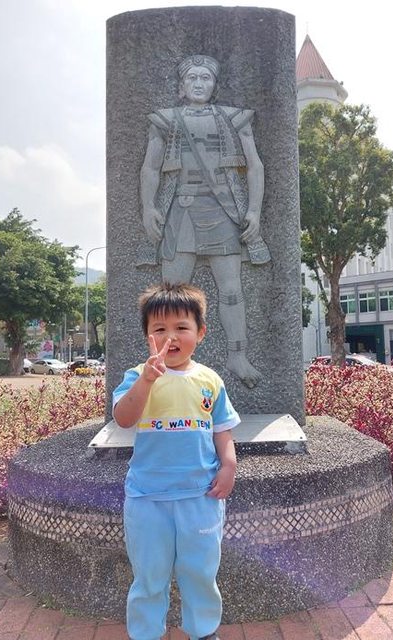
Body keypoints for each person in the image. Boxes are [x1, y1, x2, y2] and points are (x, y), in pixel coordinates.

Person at [113, 282, 240, 640]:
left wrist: (229, 465)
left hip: (200, 496)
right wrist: (147, 380)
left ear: (200, 333)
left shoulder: (210, 380)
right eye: (159, 329)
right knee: (149, 575)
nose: (170, 337)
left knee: (200, 571)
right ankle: (145, 633)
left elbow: (222, 430)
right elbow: (124, 418)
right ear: (147, 336)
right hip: (147, 498)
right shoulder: (137, 376)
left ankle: (203, 630)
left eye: (181, 327)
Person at [140, 54, 271, 389]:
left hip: (223, 210)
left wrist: (254, 211)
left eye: (205, 78)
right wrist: (148, 208)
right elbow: (151, 167)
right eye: (192, 78)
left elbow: (254, 166)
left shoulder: (235, 118)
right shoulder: (165, 120)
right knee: (170, 295)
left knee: (232, 290)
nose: (199, 84)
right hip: (180, 213)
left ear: (215, 84)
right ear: (182, 85)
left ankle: (238, 355)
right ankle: (162, 359)